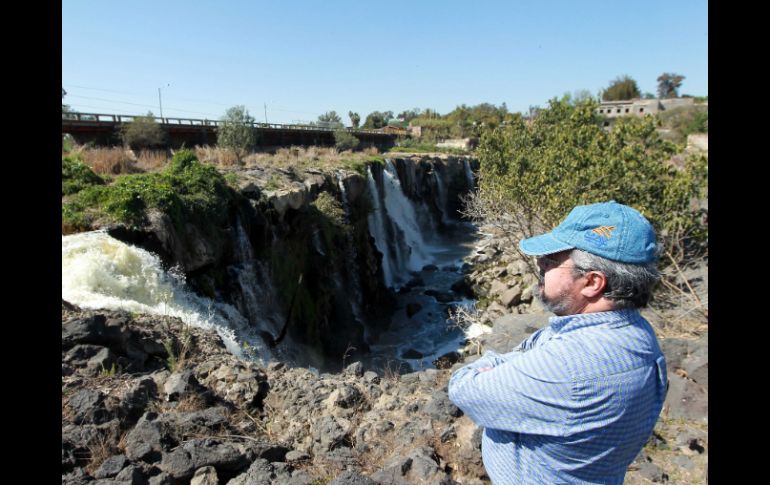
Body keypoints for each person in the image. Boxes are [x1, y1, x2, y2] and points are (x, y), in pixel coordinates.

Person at [448, 200, 668, 484]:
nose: (540, 262)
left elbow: (464, 387)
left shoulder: (571, 365)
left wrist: (496, 363)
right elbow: (537, 347)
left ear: (591, 282)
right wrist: (522, 363)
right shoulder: (637, 333)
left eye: (552, 259)